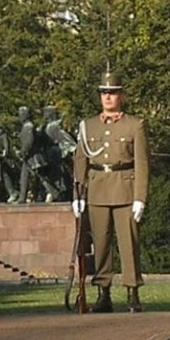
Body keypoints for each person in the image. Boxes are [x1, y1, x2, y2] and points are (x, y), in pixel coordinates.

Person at [72, 71, 149, 313]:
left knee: (128, 243)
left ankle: (132, 291)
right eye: (104, 92)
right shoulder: (88, 125)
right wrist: (78, 195)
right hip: (97, 189)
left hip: (125, 187)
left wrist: (140, 197)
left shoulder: (135, 125)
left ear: (122, 96)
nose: (107, 97)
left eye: (113, 92)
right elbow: (81, 161)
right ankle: (103, 292)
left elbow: (143, 162)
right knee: (102, 244)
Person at [41, 104, 76, 202]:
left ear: (51, 113)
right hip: (49, 156)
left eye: (46, 112)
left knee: (58, 178)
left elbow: (67, 140)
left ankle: (57, 194)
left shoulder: (54, 126)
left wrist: (65, 151)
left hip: (55, 156)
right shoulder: (47, 125)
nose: (44, 114)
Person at [13, 105, 45, 204]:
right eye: (19, 114)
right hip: (29, 157)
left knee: (42, 177)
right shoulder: (26, 126)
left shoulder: (28, 126)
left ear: (26, 115)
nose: (20, 116)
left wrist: (22, 152)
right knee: (25, 177)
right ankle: (22, 198)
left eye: (22, 114)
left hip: (32, 156)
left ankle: (53, 193)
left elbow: (29, 142)